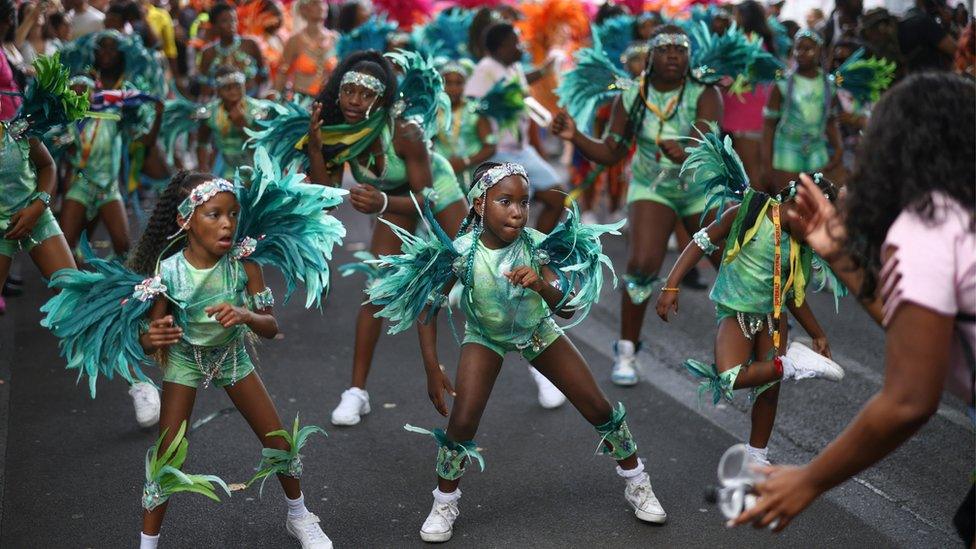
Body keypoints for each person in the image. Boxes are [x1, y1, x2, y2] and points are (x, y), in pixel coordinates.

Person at [42, 164, 348, 549]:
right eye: (215, 214)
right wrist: (153, 336)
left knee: (279, 440)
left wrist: (247, 315)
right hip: (186, 362)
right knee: (168, 456)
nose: (227, 225)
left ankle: (300, 516)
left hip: (232, 356)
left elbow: (270, 327)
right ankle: (147, 543)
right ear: (186, 220)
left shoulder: (245, 263)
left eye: (233, 214)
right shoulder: (166, 273)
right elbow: (149, 342)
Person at [730, 73, 974, 547]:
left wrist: (808, 479)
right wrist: (837, 254)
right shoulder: (958, 212)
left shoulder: (928, 225)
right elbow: (919, 333)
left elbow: (910, 399)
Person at [368, 161, 666, 543]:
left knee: (597, 406)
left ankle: (637, 480)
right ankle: (444, 501)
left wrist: (542, 285)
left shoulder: (538, 246)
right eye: (505, 201)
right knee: (462, 423)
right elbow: (429, 307)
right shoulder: (460, 253)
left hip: (538, 332)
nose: (517, 211)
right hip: (484, 337)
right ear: (479, 204)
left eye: (524, 202)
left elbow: (570, 308)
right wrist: (432, 366)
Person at [656, 133, 846, 466]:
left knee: (769, 390)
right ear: (800, 208)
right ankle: (789, 365)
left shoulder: (799, 246)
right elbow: (702, 241)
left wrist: (818, 332)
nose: (818, 236)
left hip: (774, 318)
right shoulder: (749, 211)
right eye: (816, 226)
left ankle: (758, 456)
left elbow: (794, 295)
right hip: (736, 313)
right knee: (729, 377)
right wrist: (671, 285)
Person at [551, 25, 723, 386]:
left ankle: (753, 343)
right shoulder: (632, 97)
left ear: (689, 57)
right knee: (642, 264)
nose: (674, 55)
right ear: (651, 57)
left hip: (699, 189)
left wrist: (691, 147)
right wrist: (575, 136)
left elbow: (709, 135)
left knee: (729, 261)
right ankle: (627, 350)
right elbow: (611, 152)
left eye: (681, 48)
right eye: (665, 49)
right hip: (652, 187)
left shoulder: (704, 93)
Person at [464, 22, 565, 234]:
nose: (521, 47)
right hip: (498, 154)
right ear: (500, 48)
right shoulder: (485, 70)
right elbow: (469, 108)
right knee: (506, 214)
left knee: (558, 196)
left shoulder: (514, 67)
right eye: (515, 43)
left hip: (523, 152)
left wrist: (543, 72)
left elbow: (520, 87)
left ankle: (536, 251)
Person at [762, 30, 843, 194]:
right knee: (787, 199)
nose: (801, 53)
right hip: (787, 147)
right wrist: (767, 164)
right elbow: (769, 125)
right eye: (798, 48)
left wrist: (838, 147)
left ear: (819, 51)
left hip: (816, 147)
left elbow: (830, 120)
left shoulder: (828, 85)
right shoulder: (783, 83)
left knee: (817, 197)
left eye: (808, 48)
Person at [197, 65, 273, 178]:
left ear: (244, 86)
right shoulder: (210, 112)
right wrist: (203, 169)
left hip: (253, 165)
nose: (233, 92)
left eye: (237, 87)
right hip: (223, 166)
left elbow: (262, 146)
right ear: (218, 90)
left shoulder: (258, 111)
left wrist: (242, 125)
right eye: (227, 88)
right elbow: (202, 143)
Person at [198, 2, 265, 97]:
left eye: (233, 20)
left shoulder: (250, 44)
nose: (232, 24)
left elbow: (263, 75)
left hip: (252, 100)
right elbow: (204, 88)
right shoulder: (208, 53)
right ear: (215, 25)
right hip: (221, 106)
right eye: (225, 21)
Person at [274, 0, 338, 99]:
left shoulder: (335, 39)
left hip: (328, 101)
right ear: (303, 9)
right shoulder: (295, 41)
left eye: (323, 2)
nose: (321, 6)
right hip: (301, 102)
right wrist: (276, 101)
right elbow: (282, 74)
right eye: (315, 3)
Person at [898, 0, 958, 72]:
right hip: (928, 76)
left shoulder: (907, 17)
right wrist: (947, 24)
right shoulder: (925, 21)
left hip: (911, 75)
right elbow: (954, 49)